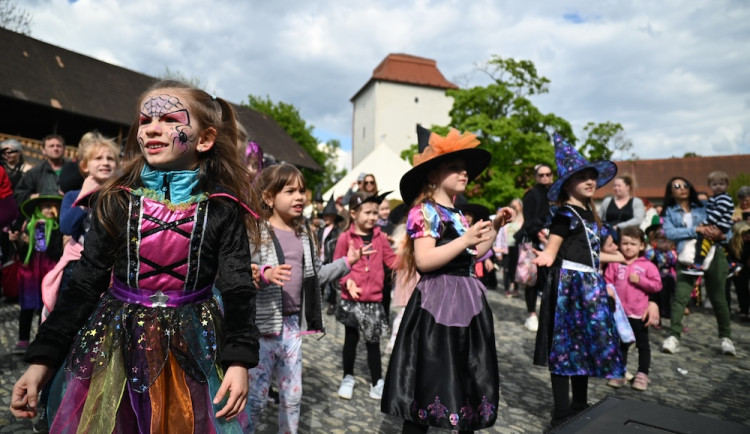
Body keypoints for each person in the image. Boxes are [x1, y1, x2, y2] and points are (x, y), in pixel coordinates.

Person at [10, 80, 262, 432]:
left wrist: (238, 360)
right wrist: (43, 360)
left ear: (204, 139)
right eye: (145, 121)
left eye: (170, 119)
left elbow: (237, 288)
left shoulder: (222, 208)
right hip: (118, 348)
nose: (153, 128)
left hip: (191, 351)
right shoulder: (115, 200)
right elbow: (84, 285)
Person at [382, 126, 514, 433]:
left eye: (465, 169)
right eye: (454, 167)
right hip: (437, 304)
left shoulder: (456, 213)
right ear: (433, 175)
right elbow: (426, 261)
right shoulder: (424, 212)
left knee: (468, 377)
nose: (463, 172)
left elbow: (473, 254)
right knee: (428, 380)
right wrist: (465, 238)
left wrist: (494, 225)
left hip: (467, 302)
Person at [247, 163, 364, 433]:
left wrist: (347, 262)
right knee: (255, 398)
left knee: (293, 397)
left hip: (291, 329)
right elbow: (246, 271)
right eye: (290, 191)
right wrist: (266, 274)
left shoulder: (305, 236)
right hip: (262, 330)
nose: (299, 197)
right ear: (268, 197)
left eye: (302, 191)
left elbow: (318, 275)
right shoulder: (257, 233)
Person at [532, 133, 624, 428]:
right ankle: (561, 414)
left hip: (590, 287)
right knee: (564, 348)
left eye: (592, 177)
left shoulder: (593, 216)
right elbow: (554, 247)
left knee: (584, 347)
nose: (589, 181)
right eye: (582, 176)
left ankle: (580, 405)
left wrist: (619, 258)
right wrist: (546, 256)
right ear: (567, 183)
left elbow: (592, 256)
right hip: (569, 288)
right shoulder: (565, 214)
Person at [660, 176, 735, 356]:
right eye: (676, 186)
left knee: (718, 297)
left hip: (713, 253)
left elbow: (728, 229)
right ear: (671, 192)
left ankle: (726, 338)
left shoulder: (704, 206)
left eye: (685, 184)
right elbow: (670, 232)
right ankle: (674, 336)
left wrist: (722, 235)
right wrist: (696, 230)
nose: (682, 188)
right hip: (687, 255)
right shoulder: (670, 211)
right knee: (681, 297)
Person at [334, 191, 397, 401]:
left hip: (374, 301)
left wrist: (410, 253)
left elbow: (393, 262)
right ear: (353, 213)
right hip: (351, 299)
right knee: (350, 341)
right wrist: (347, 280)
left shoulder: (380, 238)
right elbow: (338, 265)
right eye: (368, 213)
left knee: (373, 343)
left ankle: (377, 381)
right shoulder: (345, 238)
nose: (373, 217)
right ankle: (348, 377)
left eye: (375, 213)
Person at [604, 226, 662, 391]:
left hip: (639, 313)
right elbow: (607, 279)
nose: (628, 247)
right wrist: (608, 288)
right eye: (625, 243)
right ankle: (620, 373)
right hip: (620, 314)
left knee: (643, 345)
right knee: (621, 344)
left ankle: (642, 374)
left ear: (642, 246)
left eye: (633, 244)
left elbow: (657, 285)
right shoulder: (615, 263)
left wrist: (640, 281)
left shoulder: (648, 266)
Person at [8, 195, 64, 355]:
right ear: (39, 209)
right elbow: (23, 252)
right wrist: (19, 241)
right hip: (30, 272)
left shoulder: (58, 228)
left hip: (48, 272)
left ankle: (42, 339)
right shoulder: (30, 226)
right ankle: (23, 338)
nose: (51, 210)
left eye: (54, 206)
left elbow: (55, 251)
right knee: (27, 307)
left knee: (46, 306)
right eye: (46, 206)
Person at [516, 163, 554, 332]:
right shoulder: (531, 195)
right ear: (536, 177)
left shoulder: (558, 193)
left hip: (553, 241)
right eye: (541, 175)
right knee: (531, 280)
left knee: (550, 281)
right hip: (533, 242)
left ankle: (548, 314)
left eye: (548, 174)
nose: (545, 177)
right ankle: (532, 314)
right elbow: (529, 221)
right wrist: (541, 228)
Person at [683, 171, 735, 275]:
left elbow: (718, 213)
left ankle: (698, 264)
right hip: (718, 224)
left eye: (721, 184)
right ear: (710, 186)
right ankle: (732, 264)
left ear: (727, 185)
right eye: (714, 184)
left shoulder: (724, 198)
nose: (718, 187)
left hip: (720, 224)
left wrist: (705, 223)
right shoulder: (714, 198)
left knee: (703, 239)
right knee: (721, 245)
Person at [14, 134, 68, 206]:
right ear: (43, 151)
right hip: (41, 215)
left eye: (59, 146)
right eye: (51, 146)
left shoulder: (74, 171)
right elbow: (18, 196)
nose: (55, 149)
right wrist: (40, 196)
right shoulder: (34, 172)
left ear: (64, 149)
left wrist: (68, 196)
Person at [318, 194, 345, 315]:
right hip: (321, 257)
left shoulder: (337, 231)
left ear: (334, 217)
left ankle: (332, 303)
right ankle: (318, 302)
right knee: (320, 282)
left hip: (331, 258)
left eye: (329, 215)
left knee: (332, 283)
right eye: (325, 215)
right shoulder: (321, 229)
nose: (326, 217)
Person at [728, 222, 750, 322]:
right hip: (739, 267)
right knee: (741, 288)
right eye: (745, 234)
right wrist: (734, 267)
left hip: (747, 265)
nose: (748, 236)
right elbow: (730, 258)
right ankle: (744, 311)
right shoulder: (732, 244)